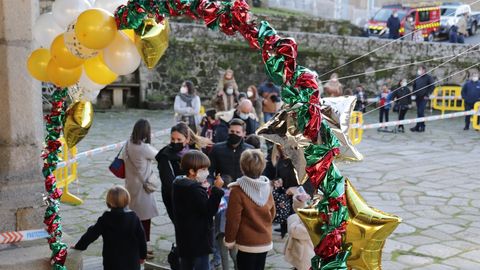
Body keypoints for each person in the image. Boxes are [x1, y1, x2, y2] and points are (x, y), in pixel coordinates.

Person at [73, 186, 147, 270]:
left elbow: (92, 234)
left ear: (109, 201)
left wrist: (79, 246)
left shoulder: (106, 218)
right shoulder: (133, 217)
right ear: (127, 199)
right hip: (131, 261)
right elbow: (142, 238)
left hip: (112, 261)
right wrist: (142, 256)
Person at [172, 150, 225, 270]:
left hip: (185, 238)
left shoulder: (179, 183)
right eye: (203, 169)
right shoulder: (194, 189)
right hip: (199, 241)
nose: (207, 173)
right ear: (192, 171)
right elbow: (209, 210)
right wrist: (216, 190)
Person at [225, 149, 275, 270]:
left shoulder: (237, 191)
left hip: (246, 242)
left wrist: (229, 240)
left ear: (242, 166)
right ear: (262, 167)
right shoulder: (266, 186)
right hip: (265, 239)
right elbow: (272, 213)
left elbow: (233, 219)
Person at [156, 122, 211, 224]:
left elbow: (204, 170)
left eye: (179, 140)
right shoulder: (165, 156)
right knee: (182, 226)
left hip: (197, 194)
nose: (175, 142)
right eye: (173, 139)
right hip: (175, 198)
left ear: (187, 140)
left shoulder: (195, 151)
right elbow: (168, 184)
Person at [123, 119, 159, 253]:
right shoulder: (144, 148)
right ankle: (142, 249)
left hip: (130, 184)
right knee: (144, 219)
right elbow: (158, 155)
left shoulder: (128, 144)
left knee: (133, 216)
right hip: (143, 188)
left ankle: (136, 245)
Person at [208, 119, 254, 184]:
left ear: (244, 134)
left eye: (237, 132)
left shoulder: (250, 151)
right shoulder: (217, 149)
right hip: (223, 187)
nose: (234, 134)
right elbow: (209, 170)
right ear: (228, 131)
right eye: (232, 131)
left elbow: (255, 172)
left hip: (244, 187)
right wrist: (211, 183)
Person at [283, 189, 314, 270]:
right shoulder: (318, 202)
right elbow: (302, 211)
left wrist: (293, 220)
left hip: (307, 257)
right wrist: (300, 200)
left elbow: (295, 231)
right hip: (301, 253)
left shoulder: (324, 212)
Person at [411, 66, 434, 132]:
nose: (419, 71)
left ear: (424, 70)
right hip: (418, 97)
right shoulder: (417, 77)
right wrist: (414, 92)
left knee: (421, 111)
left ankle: (422, 126)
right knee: (418, 112)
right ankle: (417, 126)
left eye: (420, 69)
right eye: (419, 69)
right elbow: (414, 85)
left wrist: (427, 94)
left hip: (424, 97)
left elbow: (432, 86)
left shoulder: (428, 77)